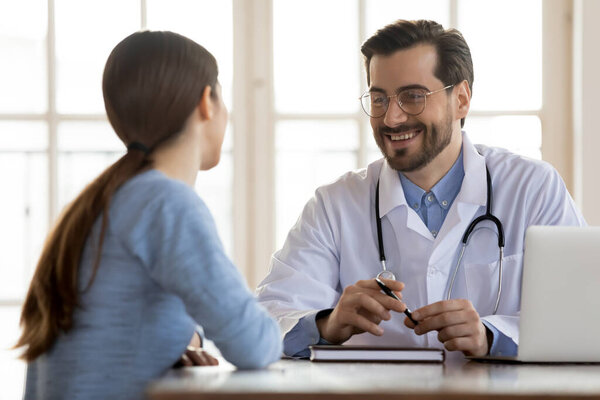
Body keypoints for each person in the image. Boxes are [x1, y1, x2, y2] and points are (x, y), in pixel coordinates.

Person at [256, 19, 585, 359]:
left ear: (461, 99)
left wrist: (492, 335)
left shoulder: (533, 189)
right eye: (379, 98)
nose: (392, 118)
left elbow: (585, 314)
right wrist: (327, 323)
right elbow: (265, 322)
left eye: (413, 97)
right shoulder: (334, 205)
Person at [16, 31, 282, 400]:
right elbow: (255, 344)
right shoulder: (167, 202)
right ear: (206, 102)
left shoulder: (102, 202)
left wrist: (175, 340)